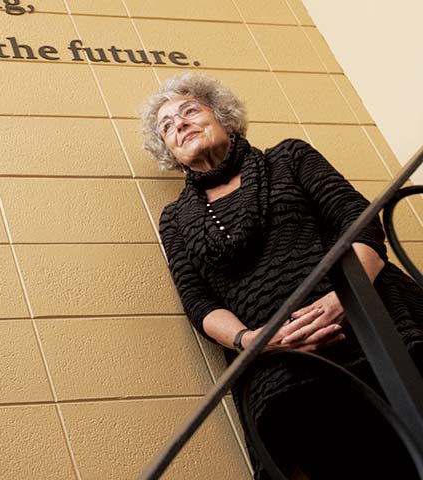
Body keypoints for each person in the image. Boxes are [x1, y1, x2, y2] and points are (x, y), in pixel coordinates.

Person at [141, 72, 423, 479]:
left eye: (189, 112)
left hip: (372, 327)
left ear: (224, 118)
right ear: (168, 150)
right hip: (287, 375)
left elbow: (359, 224)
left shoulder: (288, 157)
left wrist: (345, 300)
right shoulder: (175, 219)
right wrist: (250, 341)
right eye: (167, 126)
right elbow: (198, 301)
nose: (179, 124)